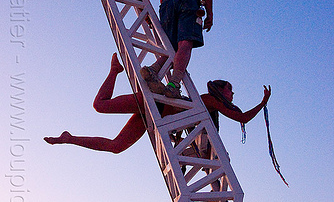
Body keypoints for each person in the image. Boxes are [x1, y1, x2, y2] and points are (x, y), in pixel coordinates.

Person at [44, 53, 271, 153]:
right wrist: (263, 102)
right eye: (230, 90)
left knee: (116, 147)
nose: (232, 95)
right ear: (221, 90)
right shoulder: (210, 100)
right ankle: (115, 71)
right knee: (100, 105)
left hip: (154, 115)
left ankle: (69, 139)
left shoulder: (209, 112)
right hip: (156, 105)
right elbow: (241, 118)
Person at [129, 0, 213, 98]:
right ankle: (173, 84)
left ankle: (153, 69)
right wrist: (210, 15)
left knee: (171, 47)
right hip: (188, 1)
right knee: (185, 43)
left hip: (166, 6)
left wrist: (145, 15)